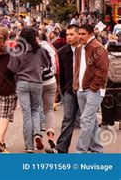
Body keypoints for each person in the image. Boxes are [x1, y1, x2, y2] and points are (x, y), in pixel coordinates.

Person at [8, 27, 50, 153]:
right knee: (35, 110)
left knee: (26, 113)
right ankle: (37, 133)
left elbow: (13, 68)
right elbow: (47, 64)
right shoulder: (40, 49)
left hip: (22, 82)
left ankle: (29, 145)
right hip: (37, 82)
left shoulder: (17, 49)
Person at [73, 24, 109, 153]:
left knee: (86, 120)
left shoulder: (97, 48)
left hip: (94, 90)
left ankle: (80, 151)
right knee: (91, 121)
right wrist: (76, 85)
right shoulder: (79, 48)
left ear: (90, 34)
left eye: (83, 34)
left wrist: (94, 87)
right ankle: (97, 150)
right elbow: (77, 68)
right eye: (79, 34)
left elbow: (103, 71)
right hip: (81, 89)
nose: (80, 36)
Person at [46, 25, 79, 153]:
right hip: (69, 91)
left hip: (85, 90)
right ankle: (61, 148)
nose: (69, 37)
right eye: (67, 35)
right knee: (68, 119)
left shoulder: (84, 50)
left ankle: (94, 149)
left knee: (89, 121)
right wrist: (63, 91)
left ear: (78, 34)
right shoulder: (63, 52)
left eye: (72, 34)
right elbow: (60, 74)